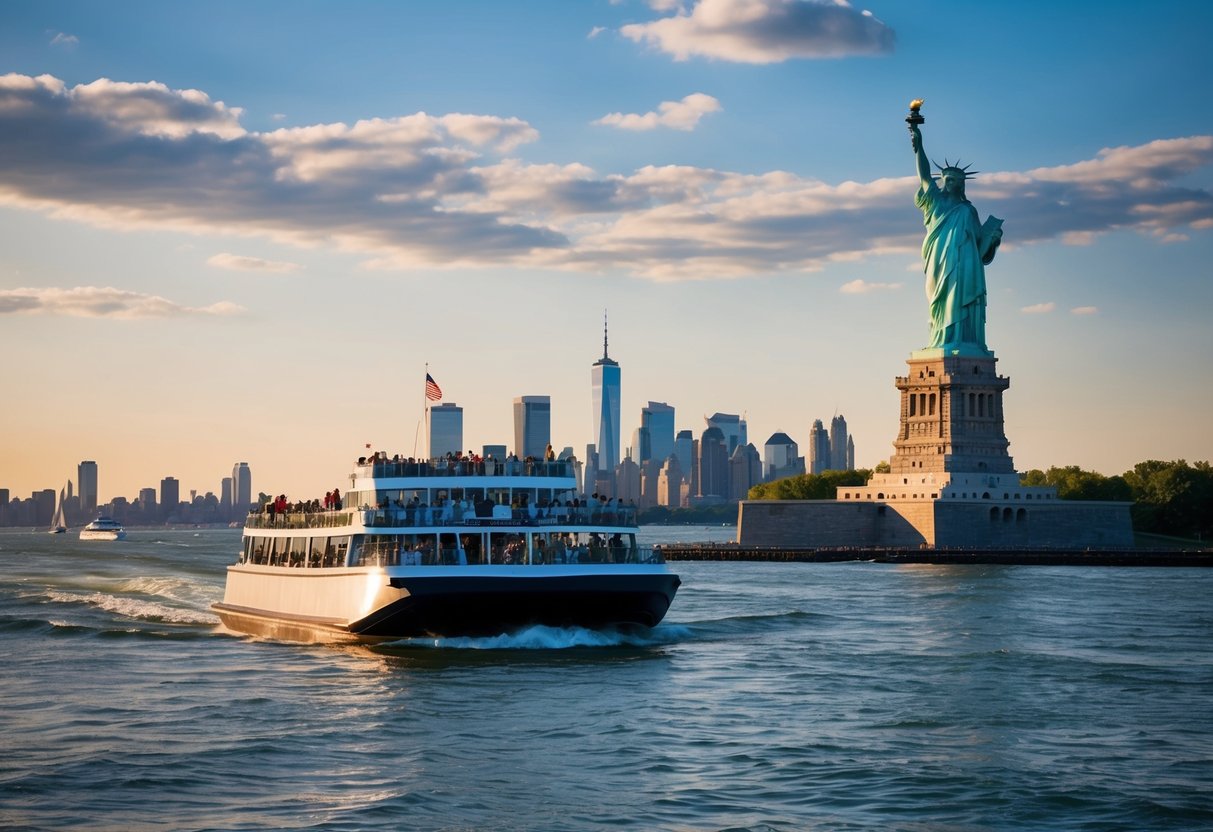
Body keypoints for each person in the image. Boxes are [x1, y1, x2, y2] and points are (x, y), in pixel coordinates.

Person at [909, 121, 1002, 351]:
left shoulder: (968, 210)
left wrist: (994, 237)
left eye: (953, 180)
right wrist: (919, 146)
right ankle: (941, 340)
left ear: (961, 184)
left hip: (966, 264)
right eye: (945, 179)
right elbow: (923, 175)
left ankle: (963, 341)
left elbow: (982, 246)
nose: (947, 183)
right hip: (938, 258)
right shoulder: (934, 202)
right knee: (939, 301)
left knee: (959, 301)